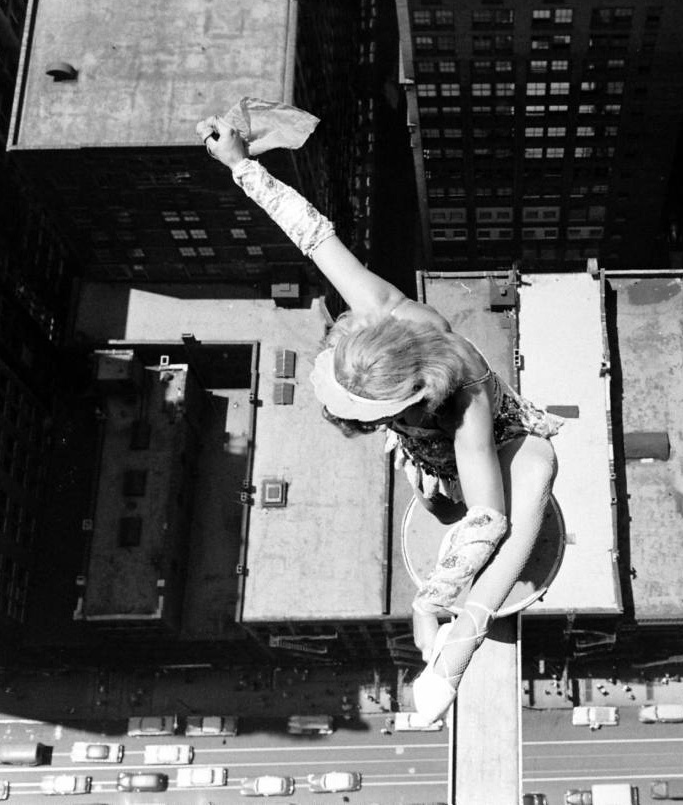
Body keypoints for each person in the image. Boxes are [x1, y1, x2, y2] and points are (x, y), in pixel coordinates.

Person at [196, 115, 561, 722]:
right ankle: (442, 565)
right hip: (430, 459)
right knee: (439, 502)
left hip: (498, 446)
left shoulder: (464, 397)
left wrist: (432, 600)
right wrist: (241, 165)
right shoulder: (382, 309)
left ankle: (459, 649)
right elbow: (310, 232)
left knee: (533, 481)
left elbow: (489, 518)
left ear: (409, 397)